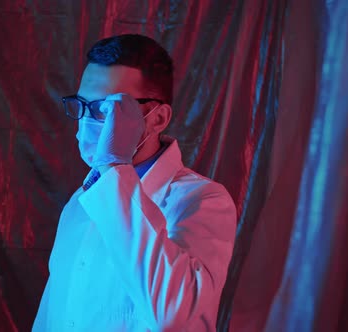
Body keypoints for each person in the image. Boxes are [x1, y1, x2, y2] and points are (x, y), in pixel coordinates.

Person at [33, 34, 236, 331]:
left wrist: (115, 166)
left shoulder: (203, 201)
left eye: (106, 109)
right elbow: (53, 316)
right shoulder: (81, 200)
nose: (88, 121)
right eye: (82, 105)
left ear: (157, 119)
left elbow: (174, 315)